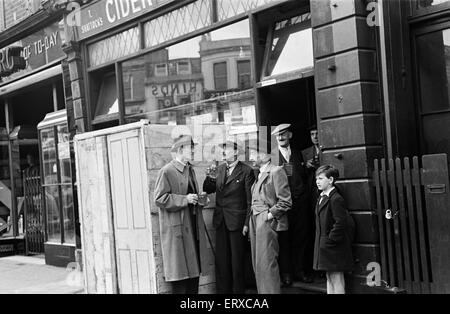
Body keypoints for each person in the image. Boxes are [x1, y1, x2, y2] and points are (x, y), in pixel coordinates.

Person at [154, 135, 206, 294]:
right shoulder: (167, 171)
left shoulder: (191, 170)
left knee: (194, 275)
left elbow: (191, 195)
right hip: (178, 232)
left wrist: (199, 198)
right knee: (181, 277)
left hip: (193, 228)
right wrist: (185, 199)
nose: (193, 150)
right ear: (180, 149)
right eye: (191, 148)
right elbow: (159, 199)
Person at [203, 140, 255, 294]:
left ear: (236, 152)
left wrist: (247, 223)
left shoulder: (246, 171)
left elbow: (249, 200)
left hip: (237, 222)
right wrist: (210, 177)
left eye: (227, 150)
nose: (224, 153)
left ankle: (238, 293)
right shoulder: (219, 169)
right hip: (220, 220)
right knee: (222, 260)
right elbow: (208, 189)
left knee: (237, 261)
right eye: (222, 150)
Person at [247, 138, 291, 294]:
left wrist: (268, 216)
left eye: (253, 153)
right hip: (255, 220)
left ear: (265, 155)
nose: (250, 157)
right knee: (257, 263)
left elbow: (285, 202)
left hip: (266, 221)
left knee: (267, 263)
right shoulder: (259, 173)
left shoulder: (276, 171)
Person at [271, 123, 312, 285]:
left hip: (300, 202)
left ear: (290, 135)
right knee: (284, 238)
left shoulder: (297, 154)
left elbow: (300, 175)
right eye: (277, 135)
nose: (280, 137)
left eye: (283, 134)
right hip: (282, 204)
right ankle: (286, 273)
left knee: (301, 236)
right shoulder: (273, 156)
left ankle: (299, 270)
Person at [313, 165, 355, 294]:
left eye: (320, 178)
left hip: (334, 246)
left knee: (337, 278)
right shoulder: (321, 197)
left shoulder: (336, 198)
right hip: (325, 245)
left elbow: (341, 222)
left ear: (330, 180)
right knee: (329, 277)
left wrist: (331, 239)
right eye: (316, 179)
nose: (317, 181)